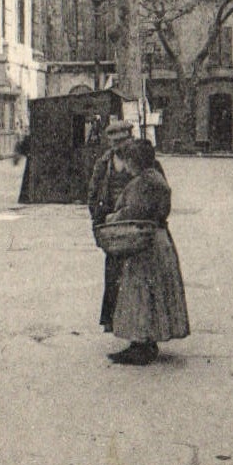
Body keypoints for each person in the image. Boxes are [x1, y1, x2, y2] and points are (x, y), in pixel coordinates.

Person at [103, 137, 190, 365]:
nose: (126, 166)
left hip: (145, 243)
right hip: (159, 240)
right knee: (155, 293)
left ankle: (141, 344)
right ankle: (147, 341)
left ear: (136, 161)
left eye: (129, 161)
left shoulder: (142, 183)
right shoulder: (156, 178)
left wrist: (111, 218)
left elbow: (133, 213)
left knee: (140, 292)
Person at [87, 117, 134, 333]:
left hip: (134, 221)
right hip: (112, 225)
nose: (118, 147)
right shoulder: (104, 163)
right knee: (113, 271)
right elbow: (93, 192)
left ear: (130, 139)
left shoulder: (142, 160)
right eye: (115, 143)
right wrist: (97, 220)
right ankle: (112, 319)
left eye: (122, 142)